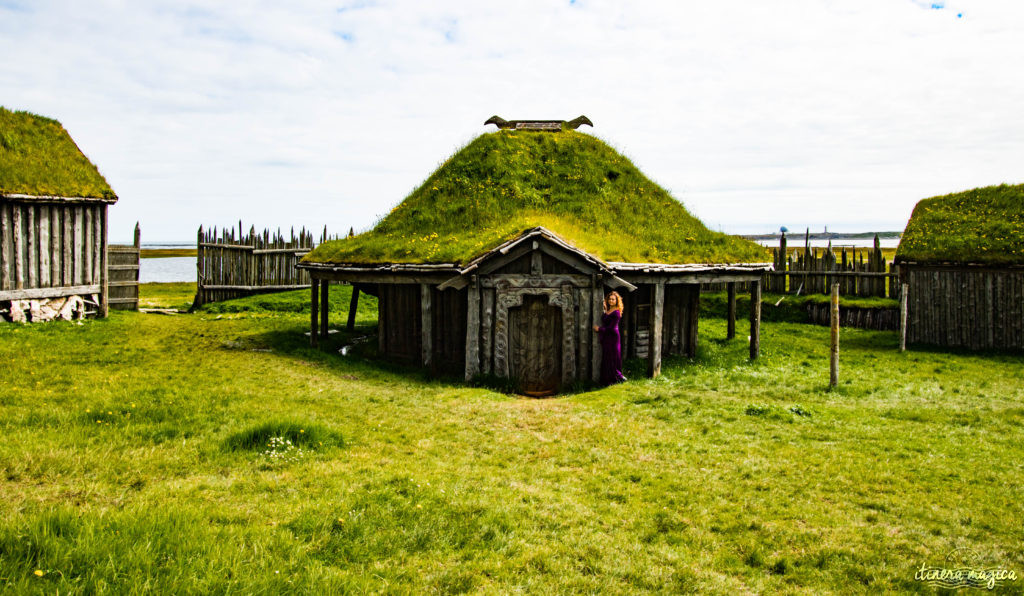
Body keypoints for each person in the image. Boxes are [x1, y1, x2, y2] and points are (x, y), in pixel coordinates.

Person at [593, 291, 627, 386]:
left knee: (612, 357)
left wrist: (599, 329)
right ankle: (608, 379)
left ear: (616, 301)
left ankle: (617, 377)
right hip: (607, 336)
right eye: (610, 299)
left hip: (613, 336)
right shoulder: (608, 310)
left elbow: (612, 328)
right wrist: (605, 309)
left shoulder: (616, 312)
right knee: (607, 357)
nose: (611, 301)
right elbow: (605, 318)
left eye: (613, 299)